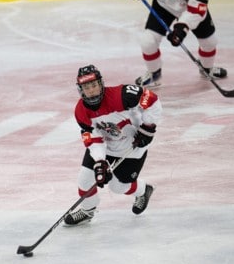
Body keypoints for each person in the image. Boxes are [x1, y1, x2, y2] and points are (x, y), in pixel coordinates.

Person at [64, 64, 163, 226]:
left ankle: (144, 190)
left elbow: (150, 99)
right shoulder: (81, 111)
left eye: (94, 85)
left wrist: (148, 127)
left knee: (118, 187)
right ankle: (88, 211)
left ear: (101, 84)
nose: (91, 90)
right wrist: (100, 161)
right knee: (85, 179)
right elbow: (93, 138)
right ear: (80, 89)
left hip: (132, 146)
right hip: (106, 146)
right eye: (86, 87)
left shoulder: (121, 95)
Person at [126, 0, 228, 87]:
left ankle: (207, 68)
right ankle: (154, 73)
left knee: (210, 42)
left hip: (191, 8)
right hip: (165, 4)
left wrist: (182, 28)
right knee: (147, 41)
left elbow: (197, 9)